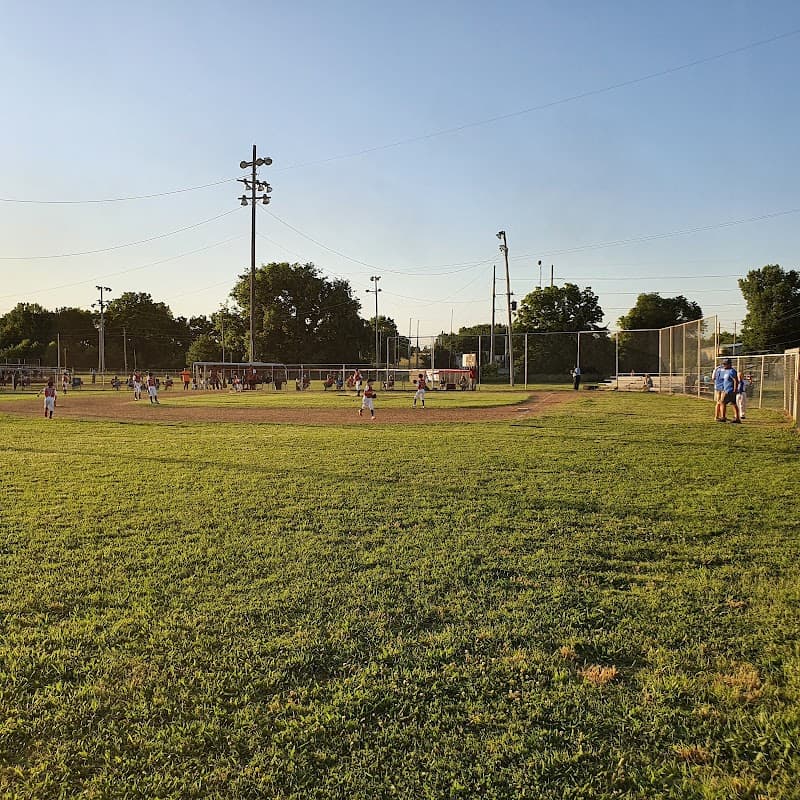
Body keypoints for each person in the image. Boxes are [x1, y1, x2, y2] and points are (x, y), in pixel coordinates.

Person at [717, 358, 740, 423]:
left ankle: (723, 417)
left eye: (725, 364)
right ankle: (737, 418)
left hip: (729, 390)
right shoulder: (726, 371)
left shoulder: (732, 371)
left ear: (729, 364)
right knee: (733, 404)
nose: (724, 365)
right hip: (726, 389)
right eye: (723, 364)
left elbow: (735, 380)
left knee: (722, 402)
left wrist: (735, 389)